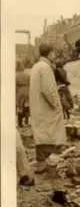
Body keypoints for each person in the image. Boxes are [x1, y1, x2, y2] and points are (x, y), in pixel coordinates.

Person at [29, 43, 67, 172]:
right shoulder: (46, 67)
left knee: (41, 135)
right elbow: (48, 90)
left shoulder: (36, 66)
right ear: (50, 53)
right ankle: (50, 165)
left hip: (38, 106)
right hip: (46, 108)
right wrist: (56, 105)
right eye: (54, 53)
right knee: (53, 135)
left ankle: (41, 163)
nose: (55, 56)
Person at [16, 61, 30, 128]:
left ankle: (20, 123)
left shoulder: (15, 75)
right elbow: (30, 83)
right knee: (27, 106)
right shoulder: (27, 75)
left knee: (20, 107)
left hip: (19, 92)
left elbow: (15, 86)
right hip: (27, 90)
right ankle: (26, 121)